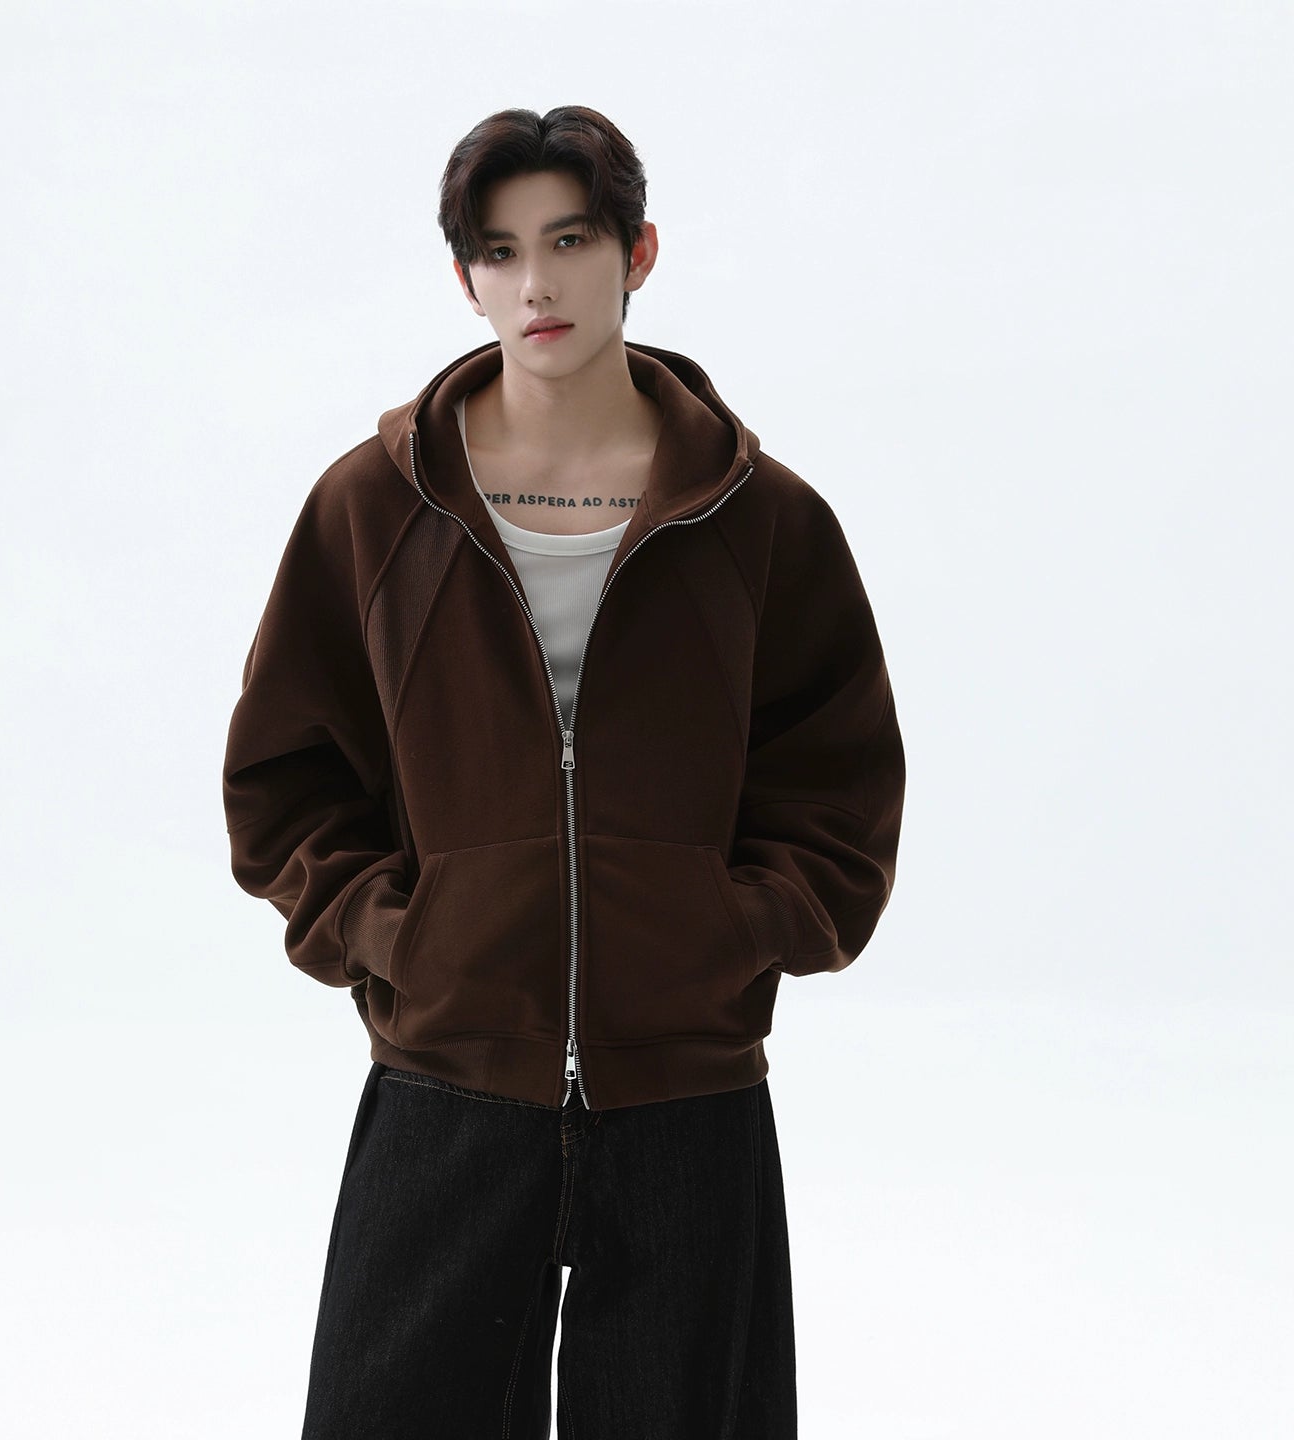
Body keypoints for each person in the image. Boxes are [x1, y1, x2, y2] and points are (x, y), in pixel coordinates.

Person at [223, 104, 905, 1440]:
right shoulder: (376, 508)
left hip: (688, 1090)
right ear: (464, 277)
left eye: (571, 240)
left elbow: (839, 789)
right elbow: (284, 778)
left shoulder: (762, 518)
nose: (536, 282)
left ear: (638, 252)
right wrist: (399, 936)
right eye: (500, 250)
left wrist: (731, 934)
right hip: (446, 1075)